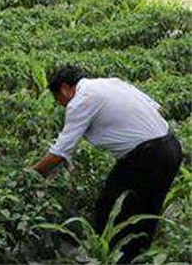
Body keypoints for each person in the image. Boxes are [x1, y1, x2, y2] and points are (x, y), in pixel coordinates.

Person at [32, 65, 183, 263]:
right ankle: (139, 258)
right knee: (147, 211)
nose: (61, 105)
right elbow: (157, 108)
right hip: (171, 147)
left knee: (110, 209)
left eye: (58, 99)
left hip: (147, 155)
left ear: (65, 89)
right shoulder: (112, 83)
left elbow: (61, 151)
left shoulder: (80, 100)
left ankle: (114, 259)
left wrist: (31, 174)